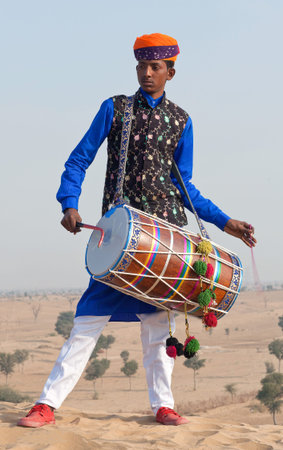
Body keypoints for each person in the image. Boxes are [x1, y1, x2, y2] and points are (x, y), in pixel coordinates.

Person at [18, 33, 256, 428]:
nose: (148, 73)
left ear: (171, 72)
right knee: (87, 322)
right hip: (119, 237)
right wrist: (69, 204)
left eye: (156, 67)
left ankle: (163, 406)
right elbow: (79, 159)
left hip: (165, 239)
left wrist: (225, 221)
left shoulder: (181, 121)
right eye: (142, 67)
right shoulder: (116, 110)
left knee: (158, 327)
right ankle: (46, 404)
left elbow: (185, 186)